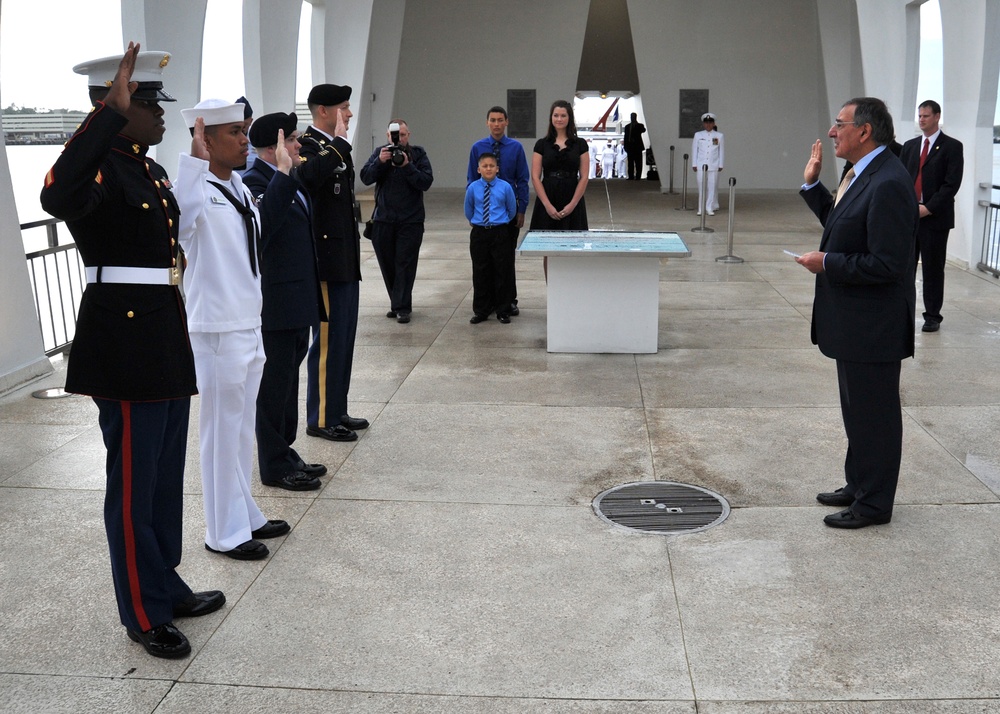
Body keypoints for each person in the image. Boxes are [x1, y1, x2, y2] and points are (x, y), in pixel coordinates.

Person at [39, 44, 224, 660]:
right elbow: (55, 197)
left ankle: (164, 585)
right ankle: (142, 612)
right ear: (114, 106)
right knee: (131, 486)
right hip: (122, 343)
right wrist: (105, 121)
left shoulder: (145, 167)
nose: (161, 115)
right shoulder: (97, 165)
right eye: (148, 104)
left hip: (163, 334)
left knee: (163, 479)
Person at [176, 99, 291, 560]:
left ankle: (244, 512)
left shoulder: (239, 187)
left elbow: (255, 238)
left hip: (248, 323)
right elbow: (178, 226)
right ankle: (222, 532)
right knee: (221, 433)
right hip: (217, 330)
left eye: (245, 131)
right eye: (234, 133)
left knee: (241, 429)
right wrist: (192, 164)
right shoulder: (195, 190)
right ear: (205, 139)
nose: (245, 139)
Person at [797, 96, 917, 529]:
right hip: (855, 322)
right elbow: (844, 226)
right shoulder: (860, 173)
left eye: (839, 124)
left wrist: (825, 262)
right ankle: (859, 483)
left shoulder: (888, 182)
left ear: (864, 131)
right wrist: (813, 188)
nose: (832, 132)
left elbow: (889, 264)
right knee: (858, 412)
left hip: (874, 327)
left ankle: (873, 504)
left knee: (876, 417)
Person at [242, 112, 328, 492]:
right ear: (272, 146)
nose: (299, 146)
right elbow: (265, 225)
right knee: (272, 388)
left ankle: (287, 453)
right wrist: (280, 172)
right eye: (292, 140)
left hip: (296, 301)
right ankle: (274, 465)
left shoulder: (287, 179)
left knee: (287, 383)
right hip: (274, 305)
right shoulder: (255, 182)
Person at [297, 83, 369, 442]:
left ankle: (336, 408)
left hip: (344, 259)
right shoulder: (308, 146)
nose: (350, 113)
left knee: (343, 338)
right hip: (324, 262)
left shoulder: (332, 147)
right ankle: (321, 417)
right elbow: (308, 177)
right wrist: (340, 145)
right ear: (323, 111)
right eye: (344, 107)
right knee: (326, 341)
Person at [359, 118, 434, 323]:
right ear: (387, 136)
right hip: (383, 220)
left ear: (408, 135)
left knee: (405, 264)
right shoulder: (380, 154)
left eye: (402, 135)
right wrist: (380, 162)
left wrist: (407, 166)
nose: (398, 139)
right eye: (395, 135)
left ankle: (402, 307)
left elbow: (425, 182)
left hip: (411, 220)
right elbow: (365, 177)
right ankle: (397, 301)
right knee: (388, 264)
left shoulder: (418, 154)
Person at [899, 100, 964, 333]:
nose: (922, 119)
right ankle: (903, 312)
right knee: (905, 267)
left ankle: (933, 316)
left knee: (933, 269)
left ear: (937, 116)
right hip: (909, 218)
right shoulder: (909, 146)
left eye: (926, 116)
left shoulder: (952, 147)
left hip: (935, 219)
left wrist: (928, 208)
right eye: (920, 116)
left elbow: (951, 185)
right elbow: (902, 180)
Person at [466, 106, 529, 316]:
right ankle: (487, 303)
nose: (496, 124)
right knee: (483, 264)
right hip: (484, 217)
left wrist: (521, 210)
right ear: (487, 123)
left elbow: (522, 180)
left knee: (505, 261)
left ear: (506, 122)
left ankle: (508, 300)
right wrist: (475, 213)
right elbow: (471, 180)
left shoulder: (516, 148)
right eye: (492, 120)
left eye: (500, 120)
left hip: (507, 214)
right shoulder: (477, 147)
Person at [465, 153, 516, 324]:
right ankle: (481, 310)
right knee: (480, 271)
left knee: (502, 271)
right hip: (480, 233)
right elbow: (469, 209)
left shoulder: (505, 187)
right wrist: (477, 222)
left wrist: (500, 222)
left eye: (491, 166)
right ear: (478, 169)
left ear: (497, 169)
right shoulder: (472, 188)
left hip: (500, 232)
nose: (488, 169)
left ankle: (503, 309)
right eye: (484, 166)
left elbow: (511, 209)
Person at [528, 99, 589, 231]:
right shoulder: (541, 144)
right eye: (556, 115)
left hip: (572, 194)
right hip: (548, 194)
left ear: (569, 118)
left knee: (573, 242)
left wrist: (573, 204)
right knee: (545, 242)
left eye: (563, 115)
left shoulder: (580, 144)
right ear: (551, 118)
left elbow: (584, 177)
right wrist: (547, 205)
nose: (559, 119)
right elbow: (535, 176)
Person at [692, 112, 724, 215]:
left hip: (713, 165)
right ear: (703, 124)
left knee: (712, 187)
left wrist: (720, 164)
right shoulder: (698, 135)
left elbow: (721, 151)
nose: (708, 125)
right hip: (701, 164)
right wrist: (694, 164)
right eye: (706, 123)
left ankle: (709, 207)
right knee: (701, 187)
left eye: (710, 122)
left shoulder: (719, 136)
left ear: (714, 123)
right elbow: (694, 150)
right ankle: (701, 208)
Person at [623, 112, 646, 180]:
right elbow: (626, 137)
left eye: (633, 116)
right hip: (630, 147)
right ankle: (631, 176)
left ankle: (638, 176)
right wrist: (625, 146)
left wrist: (636, 124)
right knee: (630, 163)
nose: (632, 118)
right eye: (631, 117)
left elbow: (643, 130)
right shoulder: (627, 127)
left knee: (638, 163)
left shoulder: (639, 126)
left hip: (637, 147)